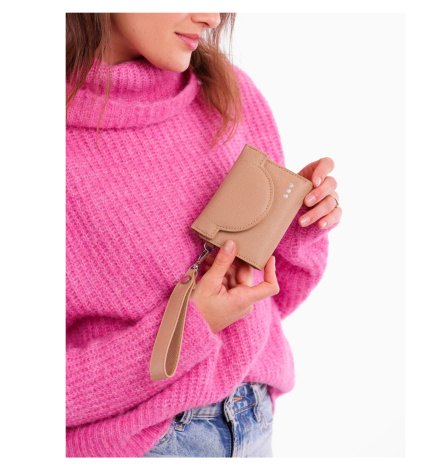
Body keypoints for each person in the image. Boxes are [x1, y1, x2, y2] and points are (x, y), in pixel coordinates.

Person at [66, 13, 342, 458]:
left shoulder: (226, 91)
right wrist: (188, 329)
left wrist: (294, 225)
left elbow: (279, 297)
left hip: (253, 419)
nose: (211, 16)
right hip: (143, 444)